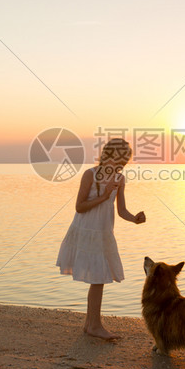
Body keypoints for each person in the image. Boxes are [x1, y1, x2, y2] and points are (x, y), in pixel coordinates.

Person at [56, 138, 146, 339]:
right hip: (87, 230)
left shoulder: (120, 179)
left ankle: (91, 324)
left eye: (124, 160)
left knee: (98, 278)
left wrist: (135, 219)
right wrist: (104, 195)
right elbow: (79, 207)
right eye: (119, 158)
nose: (121, 164)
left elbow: (121, 211)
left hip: (104, 232)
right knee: (98, 278)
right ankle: (94, 326)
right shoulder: (90, 175)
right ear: (107, 155)